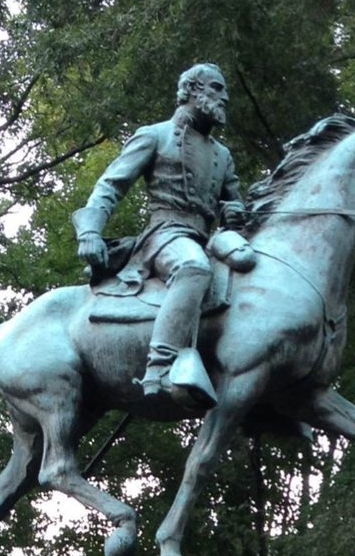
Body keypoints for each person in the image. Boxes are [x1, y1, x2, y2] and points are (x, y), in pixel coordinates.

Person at [72, 63, 247, 404]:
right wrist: (90, 231)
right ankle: (161, 367)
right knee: (193, 268)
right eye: (216, 88)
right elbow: (111, 184)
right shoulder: (155, 135)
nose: (224, 97)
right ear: (192, 90)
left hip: (207, 240)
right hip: (165, 236)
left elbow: (234, 209)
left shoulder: (222, 156)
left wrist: (236, 215)